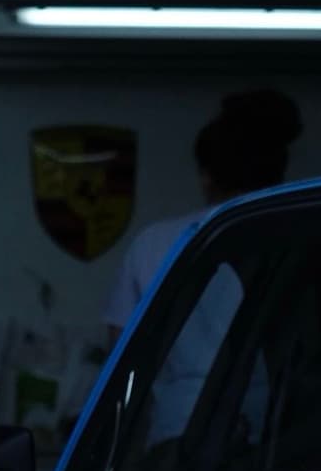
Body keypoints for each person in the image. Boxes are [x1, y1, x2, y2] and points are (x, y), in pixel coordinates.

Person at [103, 86, 303, 337]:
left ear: (206, 175)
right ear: (279, 174)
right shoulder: (301, 243)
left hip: (173, 378)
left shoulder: (153, 243)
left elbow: (119, 348)